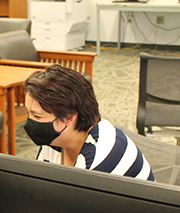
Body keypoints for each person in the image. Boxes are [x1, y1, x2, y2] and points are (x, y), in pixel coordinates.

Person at [23, 64, 155, 181]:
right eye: (28, 113)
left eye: (37, 116)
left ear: (69, 117)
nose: (30, 121)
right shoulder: (55, 139)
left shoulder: (99, 161)